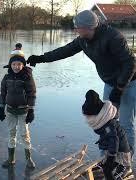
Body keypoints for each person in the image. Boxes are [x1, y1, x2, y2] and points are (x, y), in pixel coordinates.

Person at [27, 10, 136, 153]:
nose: (75, 29)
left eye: (77, 26)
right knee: (106, 122)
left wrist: (120, 88)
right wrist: (40, 58)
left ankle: (125, 162)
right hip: (110, 83)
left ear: (88, 27)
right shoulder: (83, 40)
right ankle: (107, 159)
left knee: (125, 124)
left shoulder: (113, 37)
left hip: (128, 82)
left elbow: (130, 63)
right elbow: (64, 51)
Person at [0, 44, 36, 169]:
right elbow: (3, 93)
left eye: (19, 64)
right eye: (14, 64)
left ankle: (28, 158)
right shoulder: (7, 77)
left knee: (24, 135)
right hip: (10, 111)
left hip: (23, 111)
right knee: (11, 134)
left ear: (23, 65)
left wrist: (31, 110)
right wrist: (1, 107)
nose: (16, 66)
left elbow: (32, 94)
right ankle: (11, 159)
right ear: (10, 65)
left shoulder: (27, 77)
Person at [82, 90, 133, 179]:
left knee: (108, 171)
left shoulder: (108, 126)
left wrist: (111, 158)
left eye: (89, 116)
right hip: (112, 148)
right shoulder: (105, 117)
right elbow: (115, 102)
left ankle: (125, 167)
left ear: (96, 114)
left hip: (121, 153)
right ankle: (109, 162)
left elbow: (114, 141)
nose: (88, 118)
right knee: (106, 163)